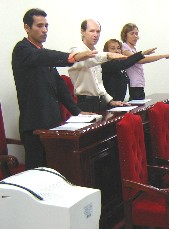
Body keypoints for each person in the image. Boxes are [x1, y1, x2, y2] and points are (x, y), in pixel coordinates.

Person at [12, 8, 95, 169]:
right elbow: (42, 57)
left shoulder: (42, 53)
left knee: (55, 168)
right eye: (39, 26)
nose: (44, 30)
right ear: (27, 28)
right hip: (34, 125)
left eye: (46, 26)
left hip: (52, 122)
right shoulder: (22, 50)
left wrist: (77, 111)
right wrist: (72, 57)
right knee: (38, 171)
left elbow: (59, 86)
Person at [68, 19, 129, 113]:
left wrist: (110, 101)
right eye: (92, 31)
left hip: (100, 102)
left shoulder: (97, 52)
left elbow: (98, 84)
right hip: (85, 103)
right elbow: (89, 60)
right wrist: (107, 55)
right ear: (82, 31)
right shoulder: (76, 50)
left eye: (98, 31)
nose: (95, 35)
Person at [120, 23, 169, 100]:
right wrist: (163, 56)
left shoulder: (133, 48)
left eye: (136, 34)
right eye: (132, 34)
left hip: (139, 82)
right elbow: (140, 60)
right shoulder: (125, 47)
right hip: (133, 84)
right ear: (125, 35)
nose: (135, 36)